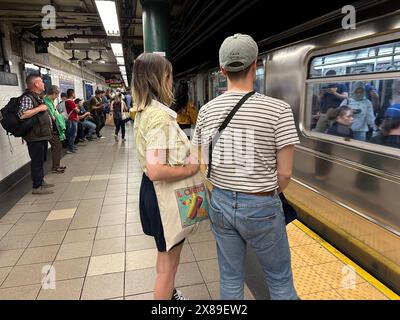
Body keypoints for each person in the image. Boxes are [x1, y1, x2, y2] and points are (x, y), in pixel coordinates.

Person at [192, 34, 299, 300]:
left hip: (220, 201)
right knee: (279, 280)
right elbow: (284, 174)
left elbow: (200, 159)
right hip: (262, 204)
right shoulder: (278, 110)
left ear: (222, 70)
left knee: (230, 278)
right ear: (255, 66)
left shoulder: (206, 110)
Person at [133, 52, 199, 300]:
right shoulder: (160, 116)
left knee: (166, 259)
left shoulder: (144, 110)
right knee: (167, 267)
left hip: (152, 193)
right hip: (163, 194)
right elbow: (156, 169)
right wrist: (190, 168)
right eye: (169, 76)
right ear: (162, 78)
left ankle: (170, 294)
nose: (172, 82)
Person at [18, 74, 54, 194]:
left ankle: (40, 181)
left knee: (41, 159)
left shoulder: (37, 97)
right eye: (42, 82)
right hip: (34, 136)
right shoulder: (27, 97)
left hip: (41, 135)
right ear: (36, 84)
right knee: (37, 161)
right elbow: (23, 114)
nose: (44, 84)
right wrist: (40, 108)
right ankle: (36, 187)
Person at [44, 85, 66, 173]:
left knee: (57, 146)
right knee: (57, 146)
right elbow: (53, 117)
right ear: (53, 94)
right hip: (50, 128)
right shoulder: (46, 102)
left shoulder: (49, 101)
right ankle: (55, 167)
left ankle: (56, 166)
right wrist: (61, 116)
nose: (57, 97)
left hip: (53, 127)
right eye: (56, 95)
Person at [65, 89, 80, 153]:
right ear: (72, 94)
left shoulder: (68, 101)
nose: (75, 94)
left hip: (72, 119)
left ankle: (72, 146)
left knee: (72, 134)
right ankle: (70, 148)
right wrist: (77, 107)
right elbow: (77, 111)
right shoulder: (70, 102)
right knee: (72, 134)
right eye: (74, 93)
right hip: (72, 120)